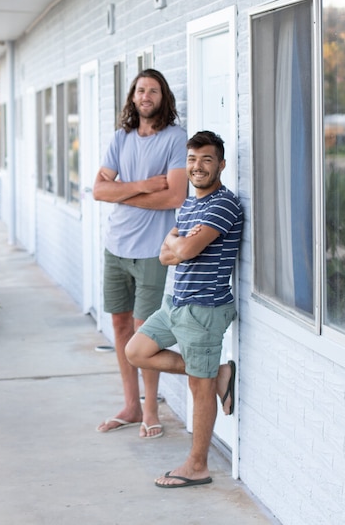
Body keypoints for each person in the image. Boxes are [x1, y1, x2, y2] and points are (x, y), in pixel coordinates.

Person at [125, 130, 242, 488]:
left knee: (199, 388)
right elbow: (164, 256)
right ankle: (218, 373)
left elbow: (184, 252)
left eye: (207, 159)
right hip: (174, 304)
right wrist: (177, 244)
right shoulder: (190, 205)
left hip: (205, 310)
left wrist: (177, 243)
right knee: (137, 351)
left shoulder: (224, 204)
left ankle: (197, 465)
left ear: (221, 164)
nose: (198, 166)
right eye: (192, 159)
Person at [92, 68, 188, 439]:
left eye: (153, 91)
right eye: (140, 90)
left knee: (144, 332)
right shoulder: (121, 138)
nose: (146, 96)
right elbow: (98, 191)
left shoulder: (175, 139)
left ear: (163, 98)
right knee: (119, 325)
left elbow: (175, 197)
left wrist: (124, 191)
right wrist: (146, 185)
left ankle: (151, 410)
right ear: (132, 97)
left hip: (151, 251)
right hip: (115, 245)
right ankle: (130, 406)